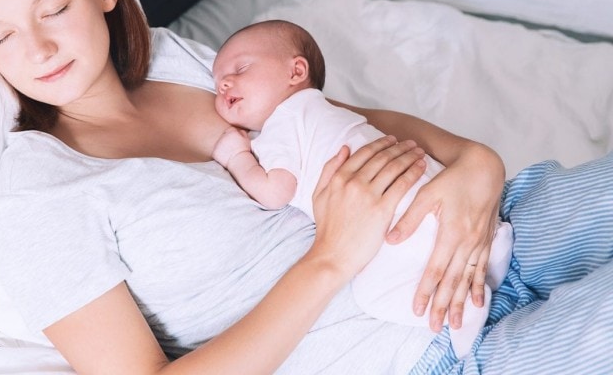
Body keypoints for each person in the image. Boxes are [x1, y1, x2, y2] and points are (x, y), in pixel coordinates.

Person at [0, 0, 613, 375]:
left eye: (52, 10)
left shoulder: (179, 63)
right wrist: (330, 258)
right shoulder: (35, 195)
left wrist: (475, 165)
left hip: (495, 228)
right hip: (421, 351)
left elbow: (341, 117)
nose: (40, 50)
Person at [210, 19, 514, 357]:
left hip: (393, 226)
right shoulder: (323, 108)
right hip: (431, 186)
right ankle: (496, 243)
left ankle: (461, 311)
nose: (224, 83)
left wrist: (237, 158)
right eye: (217, 81)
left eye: (240, 68)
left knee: (372, 295)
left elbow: (275, 190)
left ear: (296, 71)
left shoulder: (277, 128)